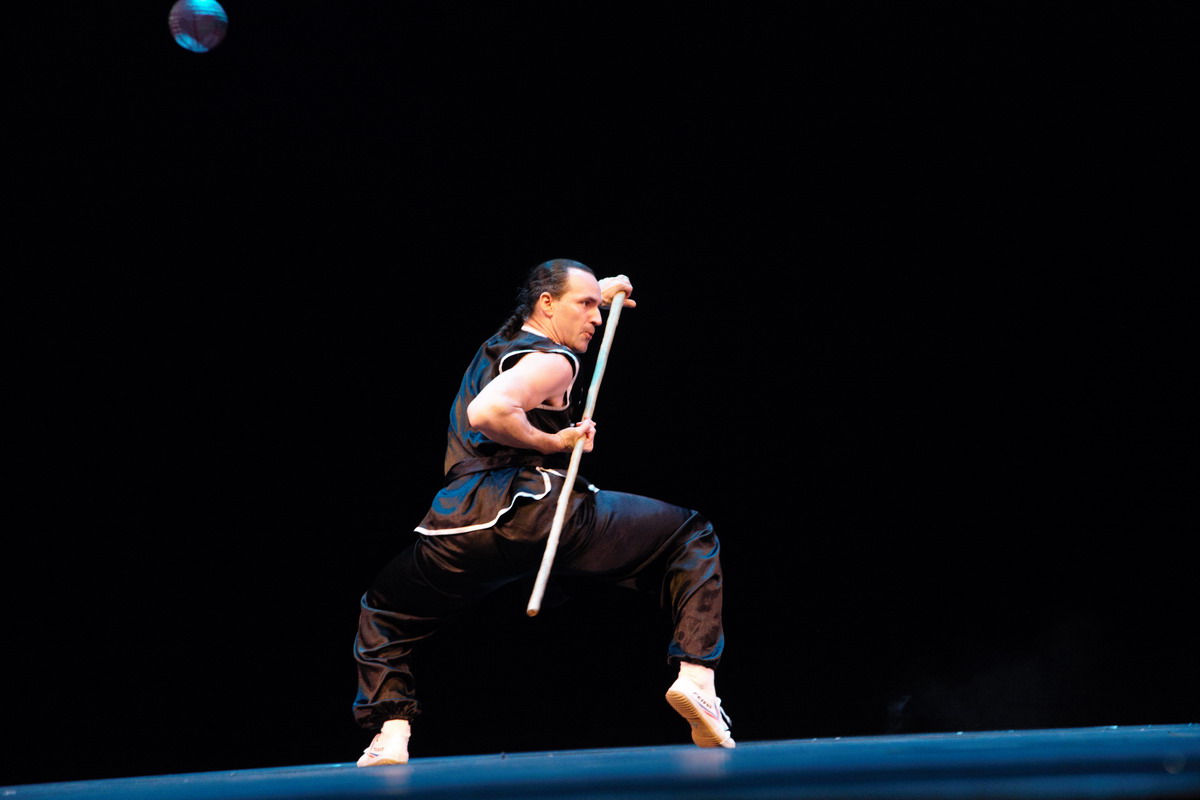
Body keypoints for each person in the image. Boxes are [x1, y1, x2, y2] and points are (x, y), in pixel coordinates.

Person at [353, 259, 731, 766]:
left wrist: (600, 291)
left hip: (458, 528)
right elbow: (487, 412)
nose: (595, 318)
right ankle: (697, 678)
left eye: (597, 307)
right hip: (533, 513)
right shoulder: (555, 361)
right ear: (547, 305)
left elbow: (532, 326)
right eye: (585, 306)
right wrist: (554, 440)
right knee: (690, 534)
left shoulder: (498, 345)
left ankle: (390, 731)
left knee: (384, 612)